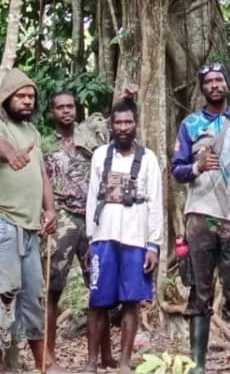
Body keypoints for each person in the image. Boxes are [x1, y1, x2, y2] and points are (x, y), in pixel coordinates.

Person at [170, 62, 230, 374]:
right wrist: (198, 166)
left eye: (219, 80)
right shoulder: (190, 124)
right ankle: (197, 364)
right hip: (201, 214)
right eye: (208, 81)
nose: (214, 85)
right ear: (202, 87)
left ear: (227, 84)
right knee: (199, 287)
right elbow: (177, 169)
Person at [0, 68, 58, 374]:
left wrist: (50, 210)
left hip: (29, 230)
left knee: (34, 301)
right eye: (20, 96)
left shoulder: (33, 133)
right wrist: (10, 154)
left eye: (31, 97)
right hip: (0, 226)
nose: (26, 101)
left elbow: (42, 175)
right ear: (7, 98)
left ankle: (43, 366)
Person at [85, 96, 163, 374]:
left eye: (128, 122)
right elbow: (92, 200)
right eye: (118, 122)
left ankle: (125, 362)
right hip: (104, 237)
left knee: (131, 300)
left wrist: (153, 244)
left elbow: (155, 202)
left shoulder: (149, 159)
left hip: (135, 239)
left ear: (136, 124)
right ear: (111, 125)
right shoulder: (100, 156)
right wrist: (90, 240)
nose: (123, 127)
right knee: (98, 301)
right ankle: (93, 361)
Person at [42, 91, 114, 370]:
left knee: (100, 287)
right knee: (52, 288)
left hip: (93, 218)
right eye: (59, 107)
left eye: (70, 106)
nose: (65, 111)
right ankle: (48, 356)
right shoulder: (45, 142)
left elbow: (119, 125)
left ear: (77, 109)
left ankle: (104, 355)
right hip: (61, 217)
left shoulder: (91, 137)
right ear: (52, 112)